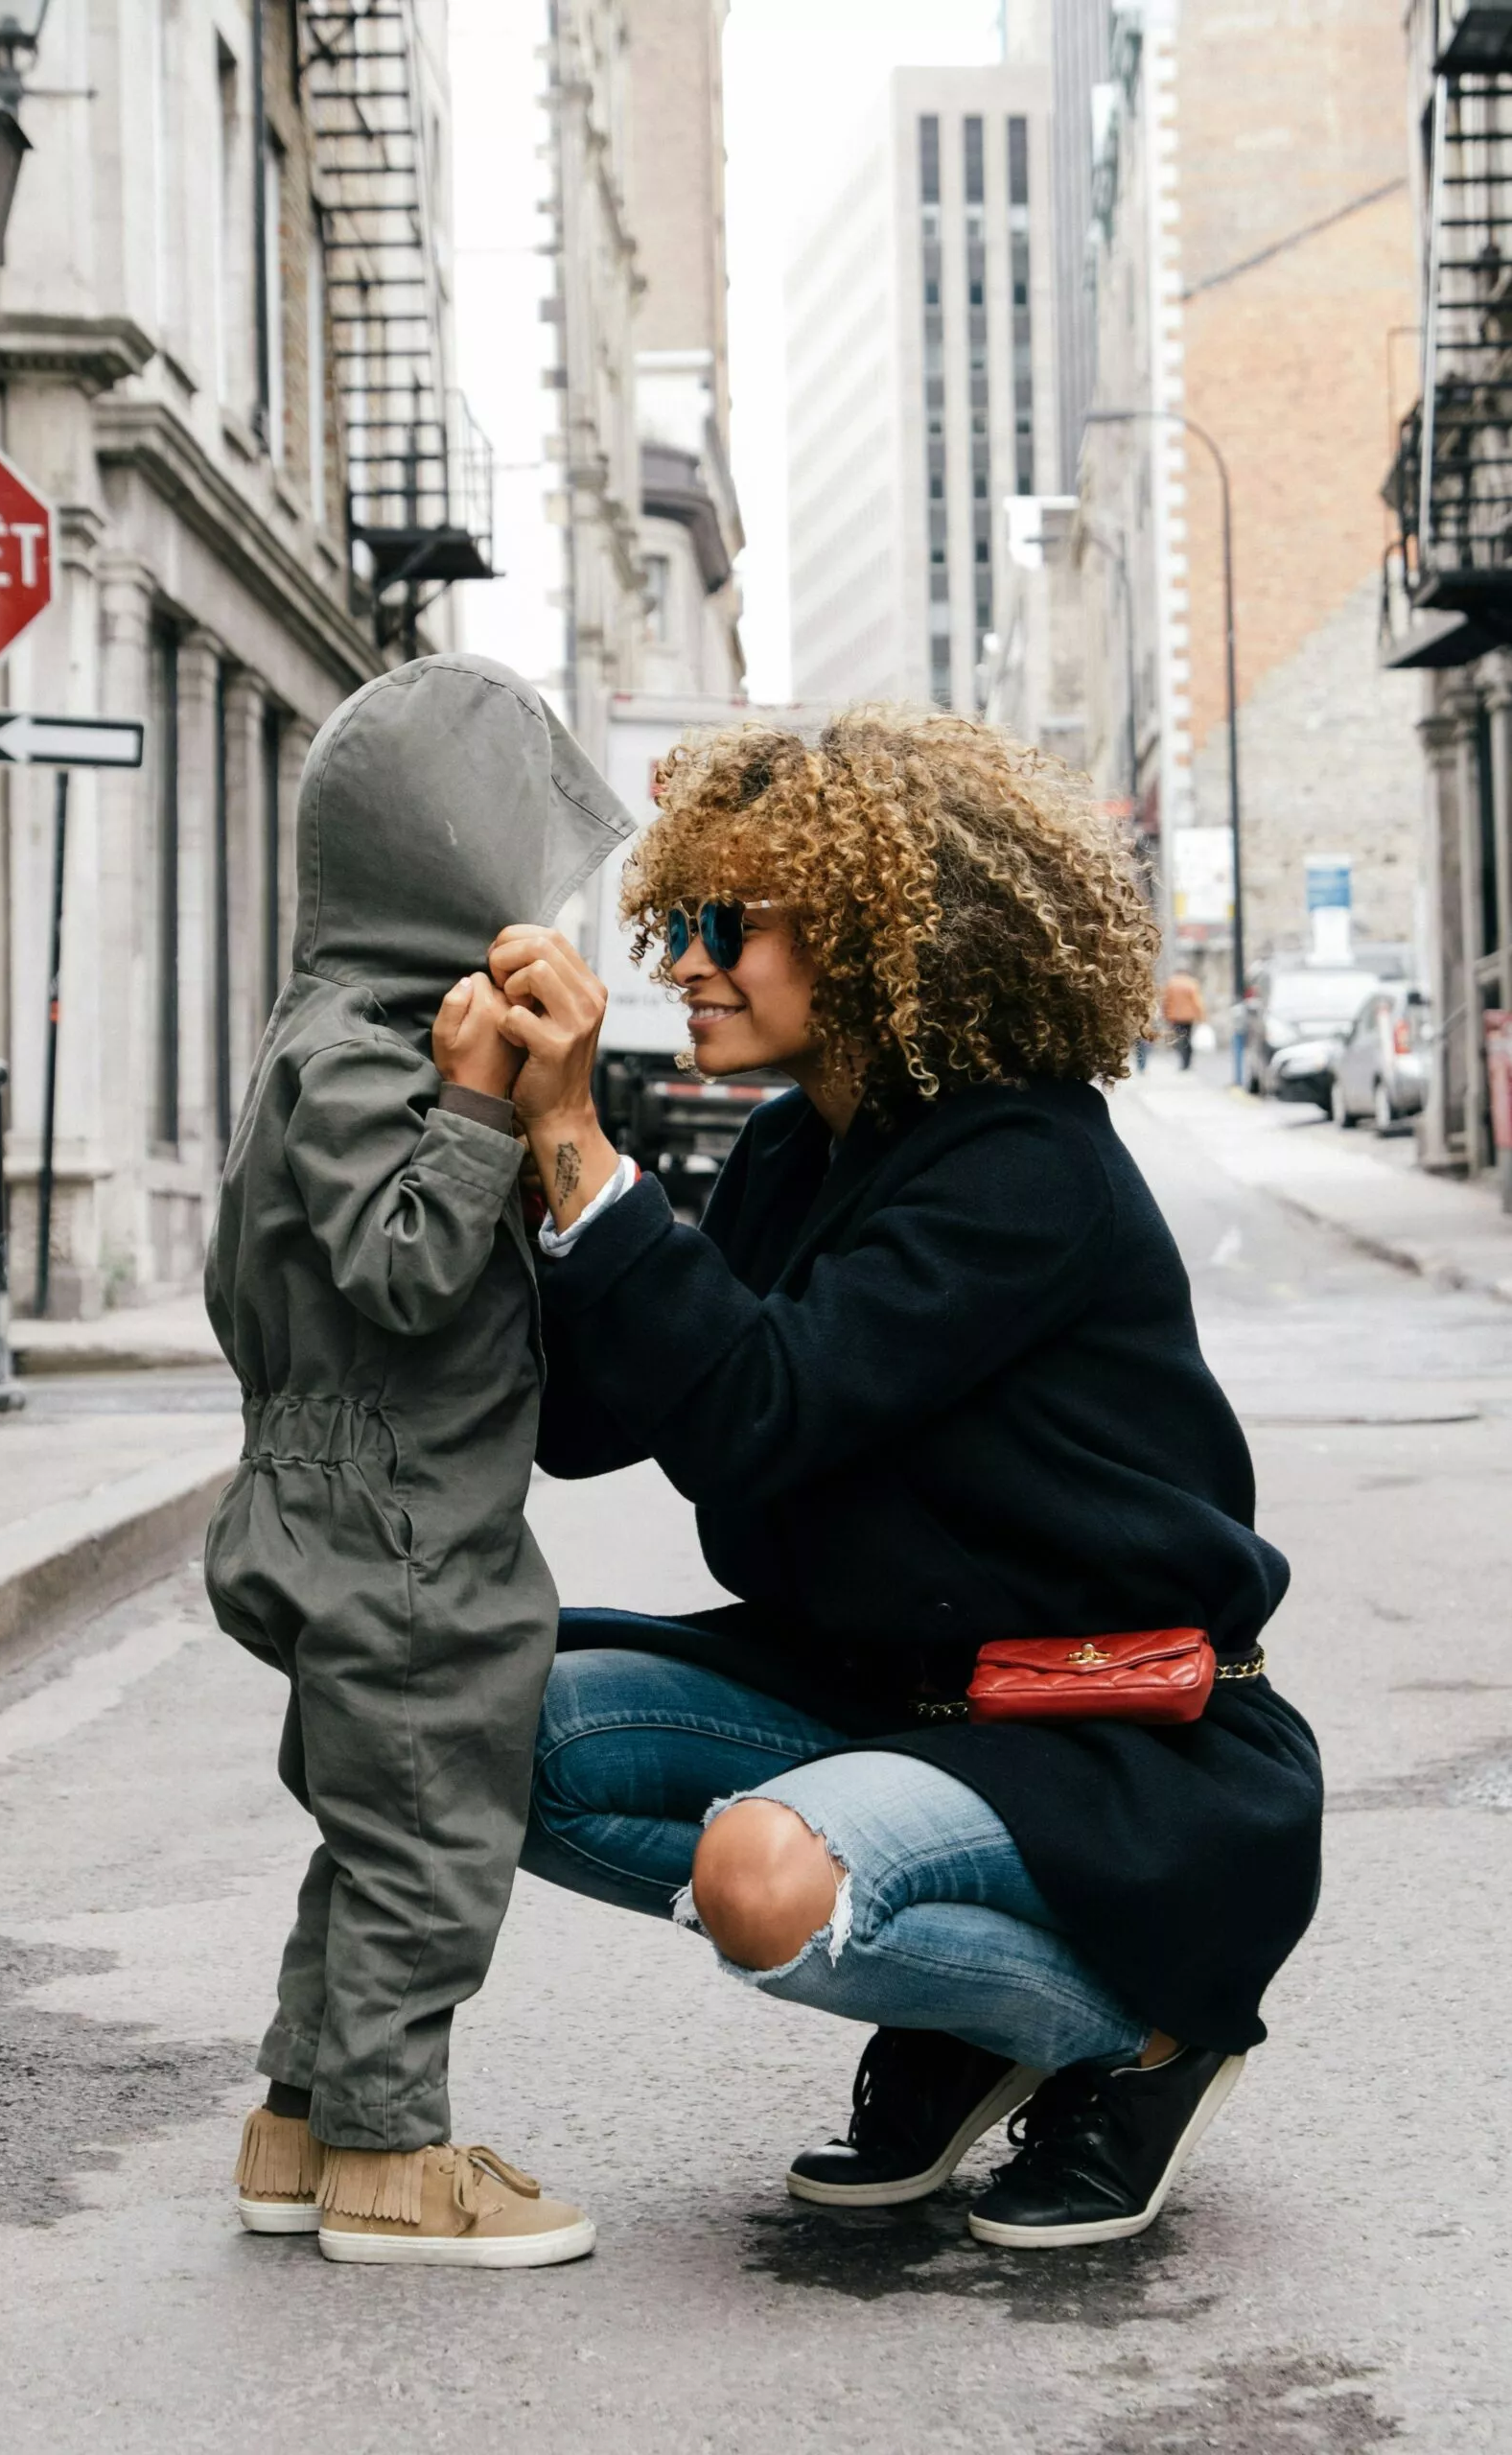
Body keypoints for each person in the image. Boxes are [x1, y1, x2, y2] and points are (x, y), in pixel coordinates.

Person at [491, 708, 1322, 2250]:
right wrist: (515, 1143)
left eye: (723, 924)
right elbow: (593, 1421)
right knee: (483, 1736)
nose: (679, 962)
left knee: (763, 1883)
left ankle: (1129, 2035)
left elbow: (758, 1409)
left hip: (1106, 1738)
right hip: (877, 1695)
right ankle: (967, 2015)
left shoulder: (1022, 1165)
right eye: (672, 920)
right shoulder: (790, 1157)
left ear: (878, 929)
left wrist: (582, 1149)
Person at [203, 653, 630, 2266]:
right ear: (447, 858)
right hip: (400, 1523)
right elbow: (399, 1268)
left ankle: (302, 2124)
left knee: (370, 1829)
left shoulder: (327, 1028)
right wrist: (474, 1109)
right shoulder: (376, 1051)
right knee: (436, 1839)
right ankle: (393, 2161)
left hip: (340, 1498)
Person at [1160, 969, 1205, 1070]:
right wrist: (1201, 1016)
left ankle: (1183, 1061)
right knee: (1187, 1038)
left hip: (1175, 1016)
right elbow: (1197, 1001)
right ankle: (1187, 1062)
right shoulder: (1191, 983)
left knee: (1179, 1039)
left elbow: (1165, 1001)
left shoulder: (1171, 984)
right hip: (1189, 1017)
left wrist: (1165, 1015)